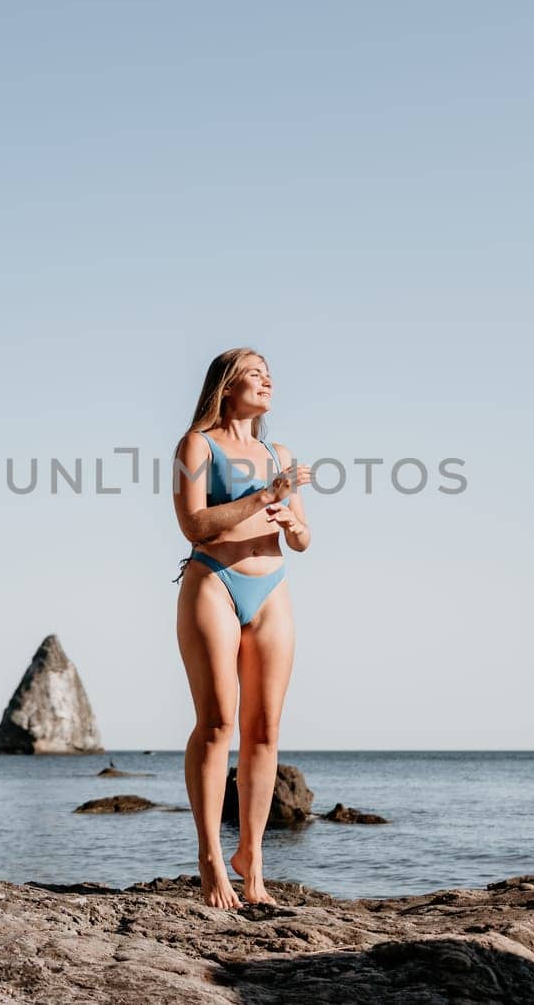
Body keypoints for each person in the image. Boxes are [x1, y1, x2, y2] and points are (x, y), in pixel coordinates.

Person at [171, 347, 311, 908]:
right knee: (217, 723)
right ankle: (210, 857)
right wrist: (264, 496)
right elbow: (193, 525)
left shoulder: (279, 452)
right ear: (226, 386)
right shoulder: (196, 445)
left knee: (265, 730)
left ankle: (251, 860)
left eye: (270, 373)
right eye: (255, 373)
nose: (267, 380)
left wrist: (291, 519)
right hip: (213, 582)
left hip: (271, 587)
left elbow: (303, 540)